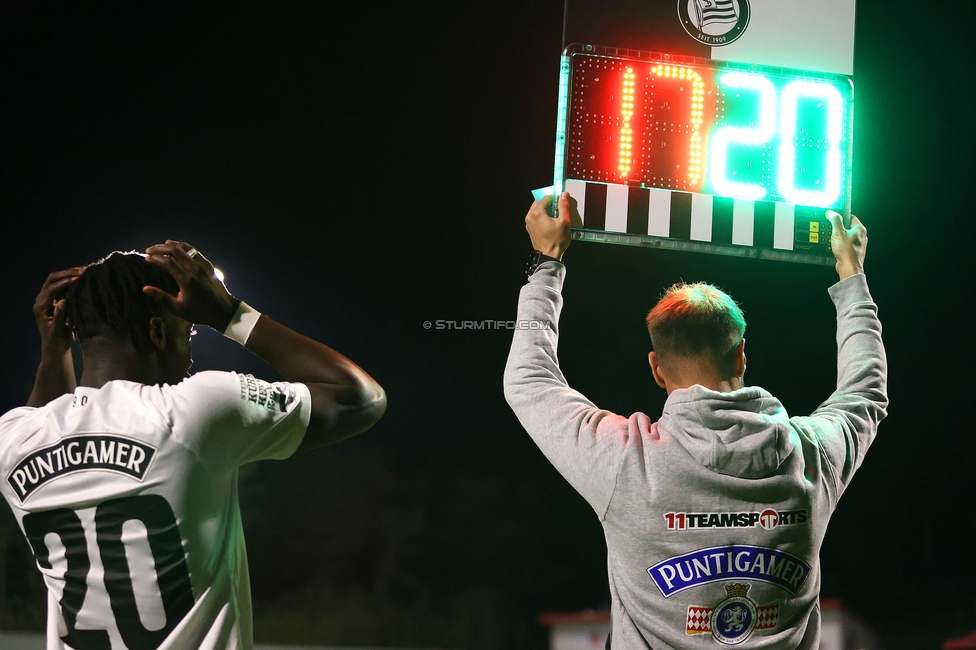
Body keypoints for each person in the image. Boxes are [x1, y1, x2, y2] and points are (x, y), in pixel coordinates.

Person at [504, 193, 886, 648]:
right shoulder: (810, 454)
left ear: (656, 367)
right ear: (742, 353)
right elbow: (865, 390)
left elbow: (529, 380)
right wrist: (851, 274)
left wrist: (546, 261)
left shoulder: (627, 460)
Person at [0, 241, 387, 650]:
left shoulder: (11, 440)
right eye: (189, 333)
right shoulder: (192, 411)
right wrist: (228, 314)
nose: (189, 356)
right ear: (157, 331)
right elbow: (360, 398)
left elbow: (43, 421)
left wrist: (53, 349)